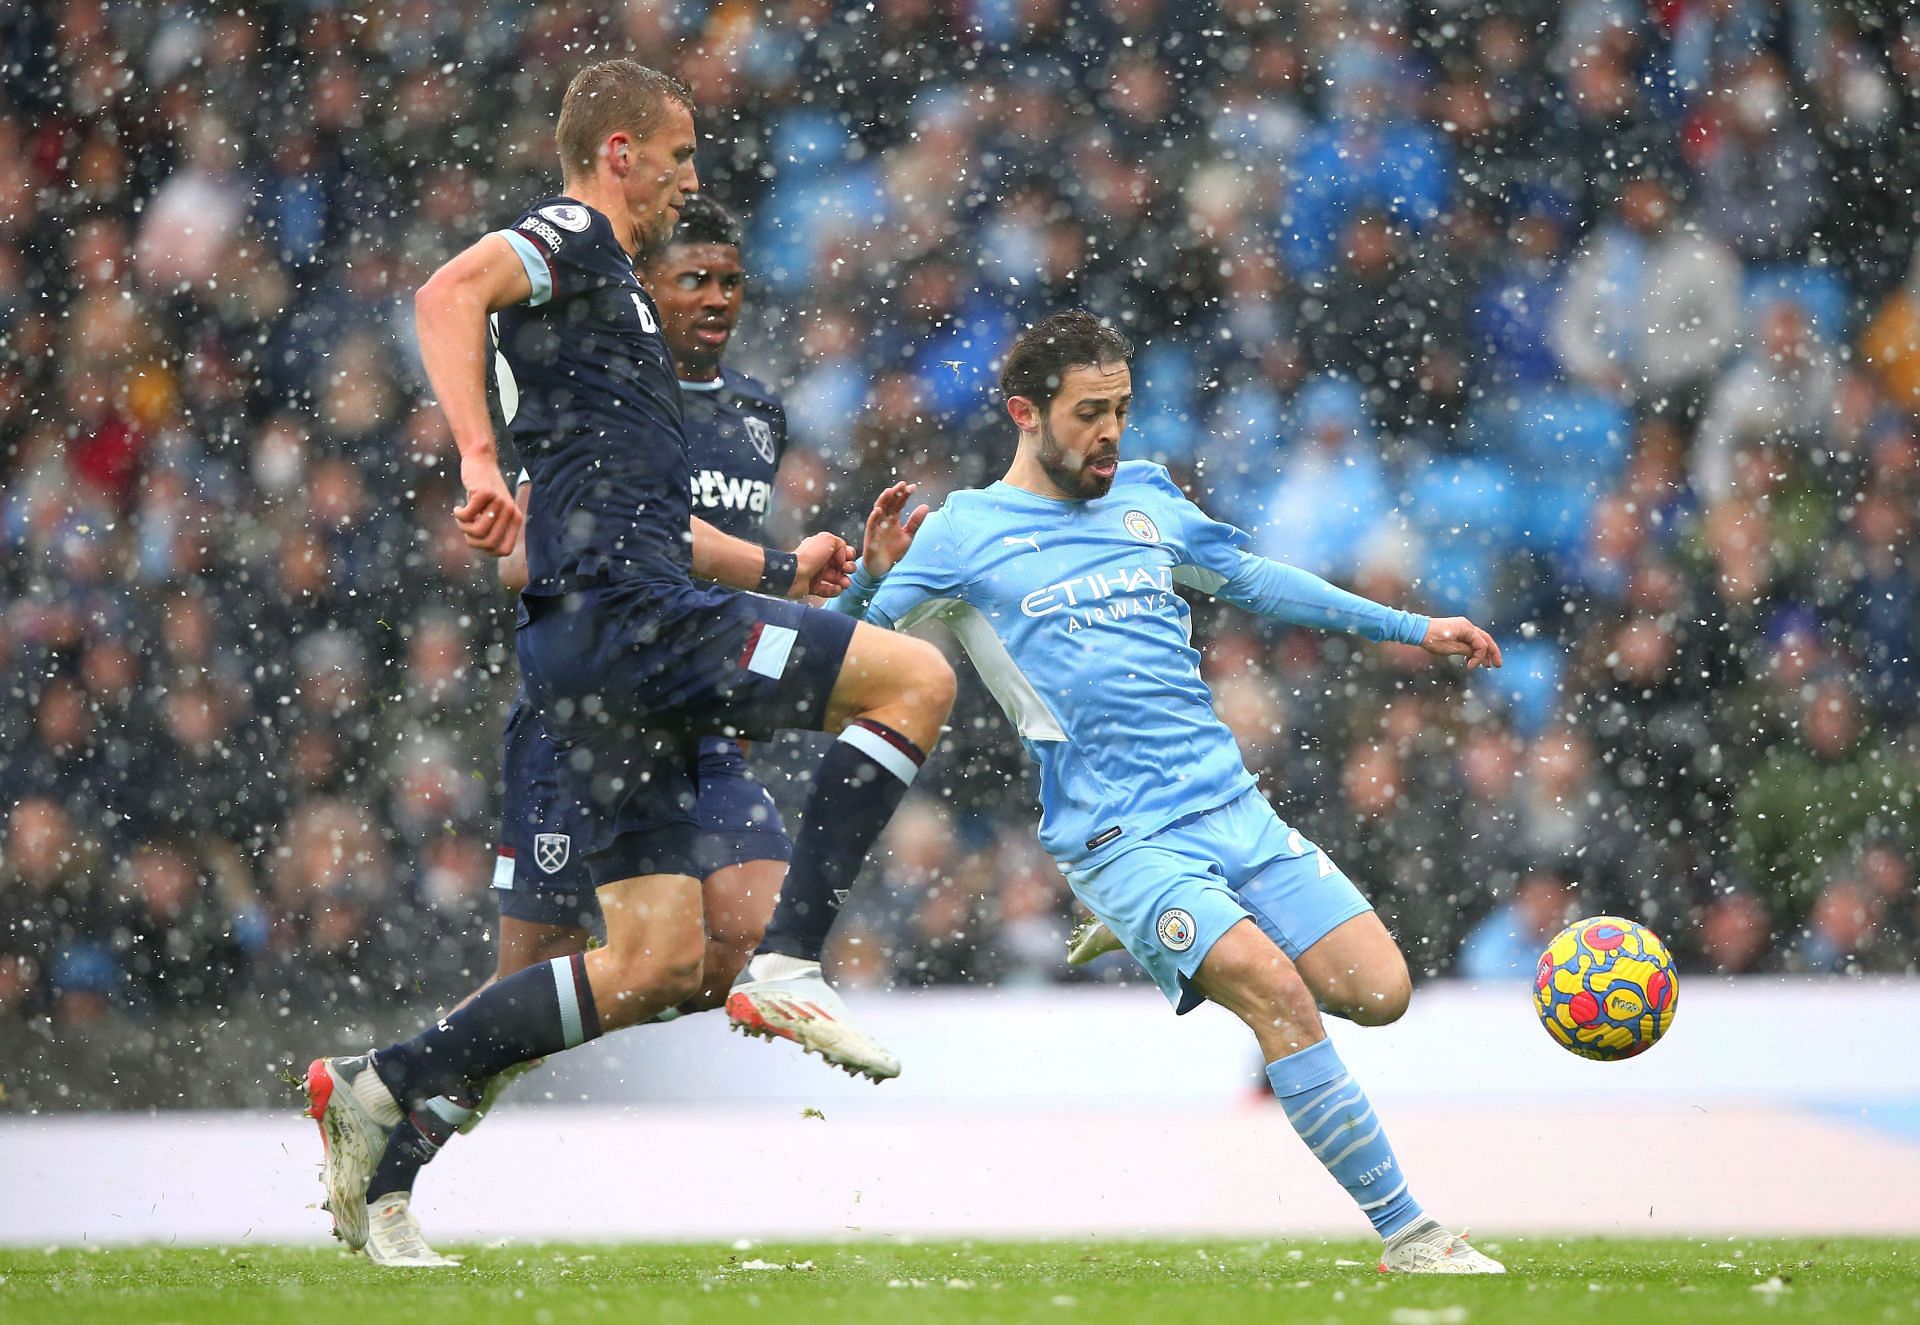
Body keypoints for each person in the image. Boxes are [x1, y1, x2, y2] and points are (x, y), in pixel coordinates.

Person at [305, 60, 956, 1255]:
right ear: (618, 152)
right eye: (681, 156)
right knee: (918, 678)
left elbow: (632, 495)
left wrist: (768, 567)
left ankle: (386, 1084)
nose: (691, 180)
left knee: (654, 962)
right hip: (631, 622)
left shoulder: (657, 345)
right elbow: (447, 292)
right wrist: (475, 460)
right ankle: (797, 959)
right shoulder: (578, 239)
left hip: (614, 631)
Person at [784, 310, 1507, 1273]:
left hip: (1229, 805)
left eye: (1122, 408)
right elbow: (833, 660)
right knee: (1279, 999)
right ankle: (1411, 1233)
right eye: (1090, 412)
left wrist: (1413, 627)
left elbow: (1254, 580)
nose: (1112, 431)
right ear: (1025, 413)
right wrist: (865, 590)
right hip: (1120, 834)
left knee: (1379, 993)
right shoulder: (962, 533)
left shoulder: (1148, 499)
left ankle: (1134, 925)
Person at [344, 195, 825, 1266]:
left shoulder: (756, 412)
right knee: (536, 981)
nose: (713, 300)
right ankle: (392, 1141)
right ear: (645, 293)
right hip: (588, 714)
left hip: (691, 709)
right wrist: (767, 574)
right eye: (692, 279)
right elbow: (527, 558)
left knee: (741, 938)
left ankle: (411, 1082)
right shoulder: (597, 394)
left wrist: (787, 588)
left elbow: (721, 556)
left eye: (730, 281)